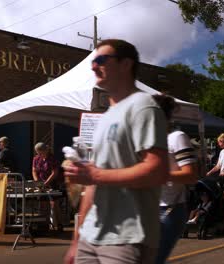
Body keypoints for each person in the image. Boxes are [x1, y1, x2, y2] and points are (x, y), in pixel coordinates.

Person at [63, 39, 169, 264]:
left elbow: (157, 171)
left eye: (101, 60)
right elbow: (92, 185)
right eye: (93, 61)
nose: (93, 66)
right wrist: (76, 239)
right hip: (90, 237)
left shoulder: (144, 106)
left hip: (127, 237)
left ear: (125, 64)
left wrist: (95, 175)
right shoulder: (106, 116)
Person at [152, 94, 198, 264]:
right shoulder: (151, 141)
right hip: (150, 207)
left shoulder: (177, 137)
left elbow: (191, 175)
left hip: (170, 209)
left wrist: (160, 175)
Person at [32, 142, 63, 232]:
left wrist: (46, 183)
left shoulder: (52, 159)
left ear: (45, 150)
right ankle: (44, 224)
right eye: (38, 153)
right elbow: (34, 170)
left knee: (55, 204)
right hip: (41, 184)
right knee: (43, 204)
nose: (39, 154)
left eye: (40, 152)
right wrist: (37, 181)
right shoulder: (36, 159)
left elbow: (55, 172)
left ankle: (59, 224)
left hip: (53, 183)